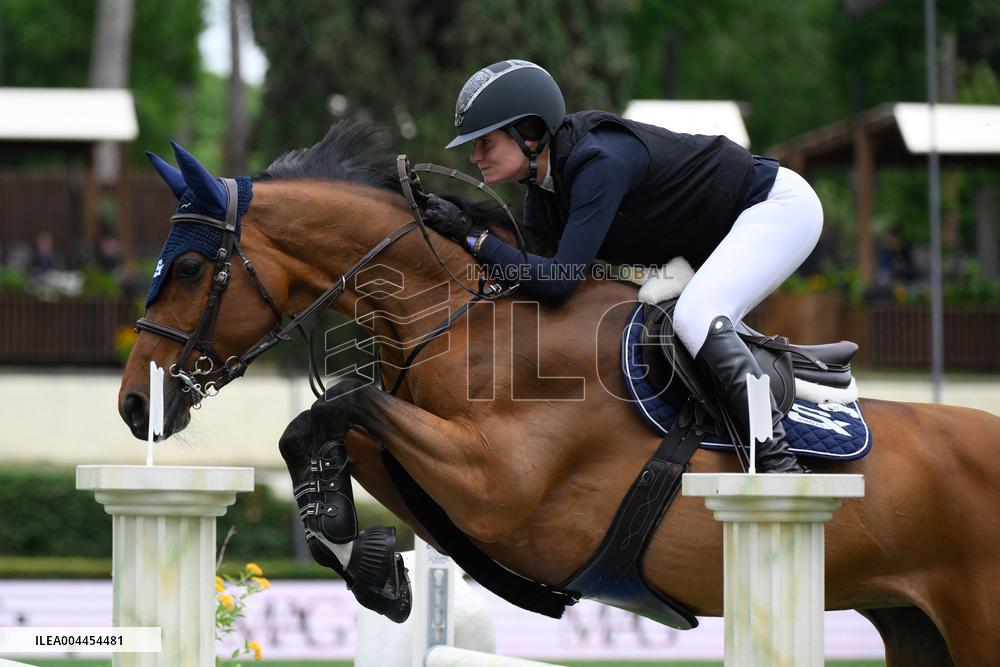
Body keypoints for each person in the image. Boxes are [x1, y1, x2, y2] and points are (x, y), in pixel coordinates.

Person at [423, 59, 823, 474]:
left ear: (528, 131)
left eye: (484, 142)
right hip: (708, 242)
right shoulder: (542, 192)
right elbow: (529, 274)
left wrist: (474, 236)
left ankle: (777, 460)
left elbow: (559, 281)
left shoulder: (598, 161)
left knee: (697, 315)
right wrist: (461, 236)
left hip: (775, 208)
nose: (474, 156)